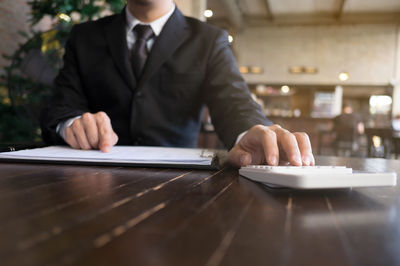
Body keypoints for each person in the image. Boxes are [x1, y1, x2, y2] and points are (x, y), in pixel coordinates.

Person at [40, 0, 315, 167]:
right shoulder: (84, 36)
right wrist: (71, 124)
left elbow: (233, 100)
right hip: (92, 176)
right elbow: (60, 107)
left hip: (180, 180)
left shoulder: (209, 40)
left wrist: (250, 133)